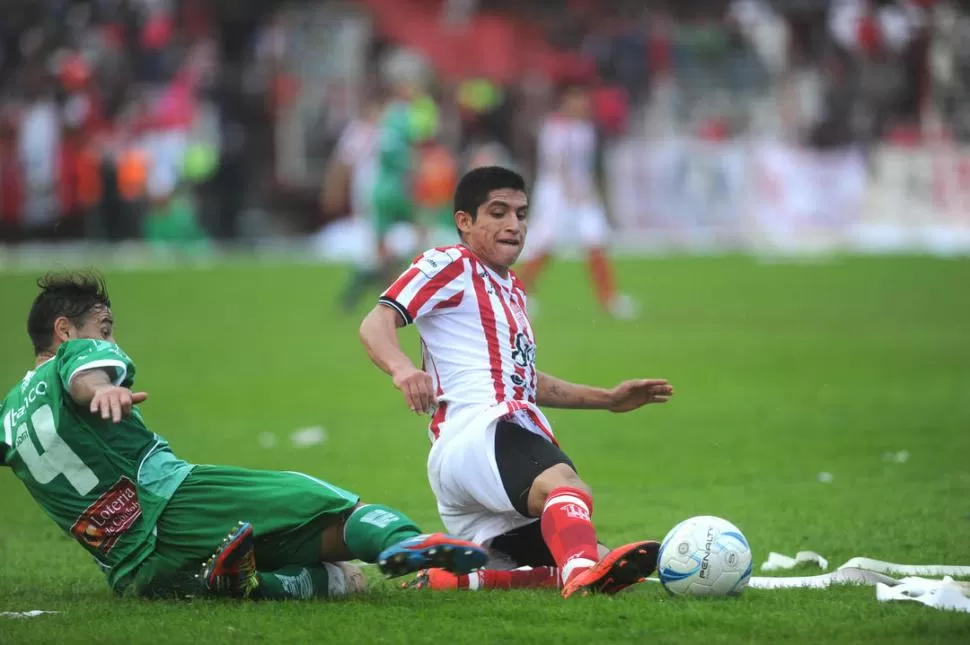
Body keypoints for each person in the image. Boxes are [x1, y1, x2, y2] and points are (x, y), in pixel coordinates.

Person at [0, 272, 487, 600]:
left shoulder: (8, 415)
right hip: (172, 503)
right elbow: (84, 374)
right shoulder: (75, 357)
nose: (109, 341)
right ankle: (406, 541)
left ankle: (268, 582)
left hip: (133, 572)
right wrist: (102, 388)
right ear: (64, 331)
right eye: (104, 329)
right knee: (325, 503)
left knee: (345, 580)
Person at [359, 166, 674, 599]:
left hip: (482, 454)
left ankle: (469, 577)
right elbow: (377, 322)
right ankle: (578, 576)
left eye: (522, 215)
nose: (514, 225)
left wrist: (608, 398)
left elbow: (524, 381)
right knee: (566, 488)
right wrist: (402, 369)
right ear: (464, 221)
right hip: (478, 431)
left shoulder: (513, 291)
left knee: (596, 553)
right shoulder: (452, 263)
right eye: (498, 212)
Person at [516, 85, 638, 320]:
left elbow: (585, 166)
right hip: (556, 192)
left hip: (582, 192)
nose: (581, 106)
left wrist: (590, 191)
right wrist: (570, 189)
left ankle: (609, 298)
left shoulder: (586, 130)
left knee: (596, 239)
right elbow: (555, 162)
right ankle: (518, 293)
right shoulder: (554, 128)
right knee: (544, 243)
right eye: (576, 101)